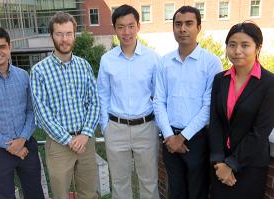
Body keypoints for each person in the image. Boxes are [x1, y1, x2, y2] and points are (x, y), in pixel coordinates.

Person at [153, 6, 222, 199]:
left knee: (197, 192)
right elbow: (158, 101)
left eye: (189, 24)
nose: (183, 29)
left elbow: (209, 106)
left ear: (198, 27)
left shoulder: (211, 62)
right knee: (175, 192)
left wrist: (182, 137)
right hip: (168, 138)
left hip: (197, 140)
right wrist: (170, 136)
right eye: (178, 24)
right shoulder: (164, 62)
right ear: (173, 28)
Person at [30, 12, 100, 199]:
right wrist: (69, 141)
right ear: (51, 35)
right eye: (59, 34)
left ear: (74, 35)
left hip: (86, 141)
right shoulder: (39, 71)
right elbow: (42, 113)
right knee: (60, 194)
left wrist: (85, 134)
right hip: (59, 145)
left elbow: (94, 102)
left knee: (89, 193)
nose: (64, 39)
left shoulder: (83, 65)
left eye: (69, 33)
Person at [97, 4, 160, 199]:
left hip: (146, 127)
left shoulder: (152, 58)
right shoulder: (107, 60)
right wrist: (105, 126)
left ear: (138, 26)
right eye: (121, 26)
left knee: (149, 182)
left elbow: (159, 95)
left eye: (131, 26)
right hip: (116, 128)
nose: (127, 32)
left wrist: (157, 125)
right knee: (119, 183)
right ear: (115, 29)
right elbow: (103, 94)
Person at [0, 27, 44, 199]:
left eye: (2, 46)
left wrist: (22, 140)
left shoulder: (23, 76)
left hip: (27, 145)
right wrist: (10, 147)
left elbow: (32, 111)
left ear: (9, 47)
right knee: (4, 196)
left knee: (35, 193)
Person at [209, 22, 274, 199]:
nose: (237, 51)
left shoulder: (269, 83)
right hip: (220, 165)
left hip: (250, 165)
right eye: (232, 44)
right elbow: (215, 122)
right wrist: (219, 161)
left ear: (258, 48)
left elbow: (260, 132)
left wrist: (231, 164)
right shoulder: (220, 80)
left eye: (245, 45)